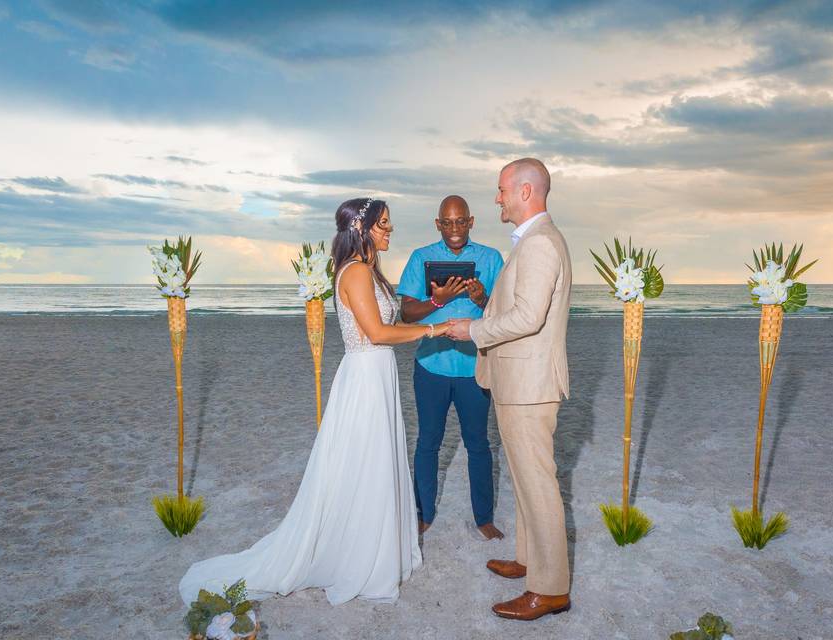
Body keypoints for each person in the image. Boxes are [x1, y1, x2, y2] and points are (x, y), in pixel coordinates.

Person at [179, 198, 450, 606]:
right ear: (361, 229)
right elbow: (377, 333)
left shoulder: (371, 272)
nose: (390, 230)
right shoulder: (356, 273)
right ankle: (358, 559)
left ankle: (375, 548)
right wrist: (436, 329)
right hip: (364, 378)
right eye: (383, 224)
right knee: (364, 463)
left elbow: (392, 323)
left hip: (378, 376)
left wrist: (433, 304)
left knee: (373, 464)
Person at [446, 158, 572, 621]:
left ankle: (550, 588)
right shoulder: (533, 242)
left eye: (501, 189)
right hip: (520, 381)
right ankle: (527, 559)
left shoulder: (540, 244)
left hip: (530, 385)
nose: (496, 197)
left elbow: (527, 317)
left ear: (525, 192)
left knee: (538, 484)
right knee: (523, 480)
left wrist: (473, 330)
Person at [396, 195, 505, 540]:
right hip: (431, 366)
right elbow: (406, 314)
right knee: (428, 442)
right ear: (438, 224)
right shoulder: (421, 257)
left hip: (475, 367)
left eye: (461, 222)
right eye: (448, 222)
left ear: (471, 222)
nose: (455, 229)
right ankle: (423, 514)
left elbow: (504, 315)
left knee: (479, 443)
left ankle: (483, 518)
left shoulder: (491, 258)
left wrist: (482, 300)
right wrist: (437, 300)